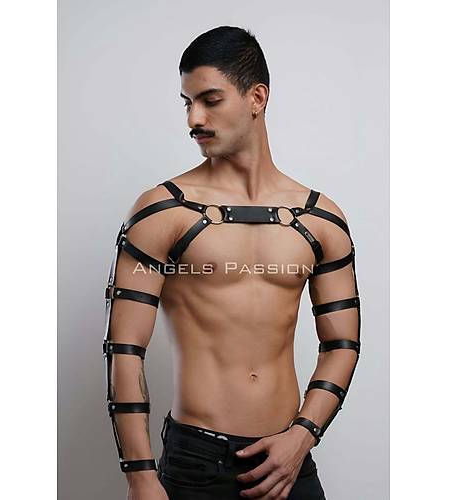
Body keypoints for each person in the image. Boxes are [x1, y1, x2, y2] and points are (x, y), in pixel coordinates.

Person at [103, 26, 361, 500]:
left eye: (210, 100)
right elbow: (124, 349)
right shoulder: (162, 212)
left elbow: (341, 344)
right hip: (196, 464)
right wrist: (140, 475)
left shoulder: (321, 219)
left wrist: (303, 435)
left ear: (256, 98)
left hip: (289, 458)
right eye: (187, 102)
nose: (194, 118)